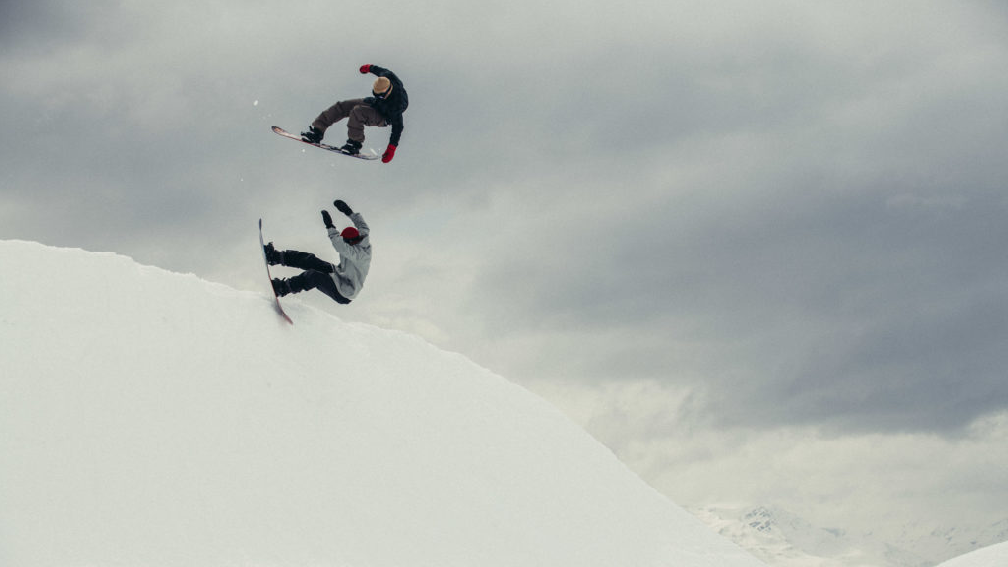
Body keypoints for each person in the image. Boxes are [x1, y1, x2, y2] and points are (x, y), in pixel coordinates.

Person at [263, 199, 371, 304]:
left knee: (314, 276)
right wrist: (348, 211)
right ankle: (275, 257)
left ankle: (282, 288)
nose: (344, 243)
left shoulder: (359, 255)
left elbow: (339, 246)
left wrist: (330, 226)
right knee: (310, 260)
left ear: (351, 241)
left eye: (345, 241)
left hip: (344, 292)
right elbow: (362, 225)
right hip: (338, 274)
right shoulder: (363, 237)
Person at [301, 64, 408, 163]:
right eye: (376, 94)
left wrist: (391, 148)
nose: (378, 96)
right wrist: (368, 68)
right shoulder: (386, 76)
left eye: (380, 96)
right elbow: (377, 69)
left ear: (388, 91)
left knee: (358, 111)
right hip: (375, 104)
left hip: (384, 116)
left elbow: (398, 128)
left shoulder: (396, 104)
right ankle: (317, 132)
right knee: (343, 106)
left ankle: (355, 143)